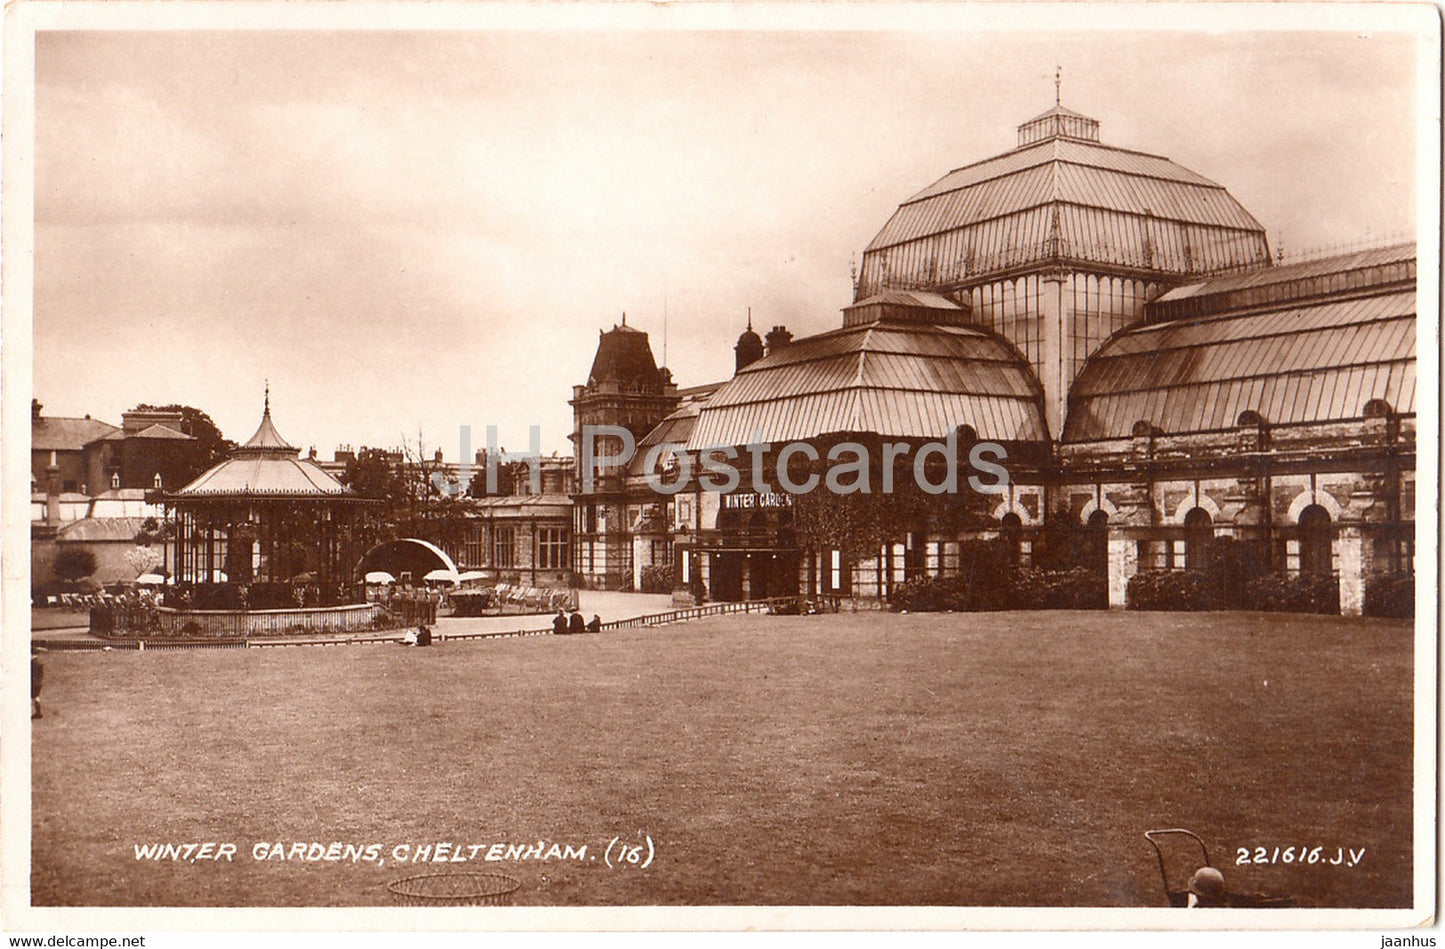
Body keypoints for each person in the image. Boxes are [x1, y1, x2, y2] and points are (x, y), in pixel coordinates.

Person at [31, 655, 44, 720]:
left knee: (33, 697)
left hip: (33, 683)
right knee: (36, 697)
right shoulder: (39, 663)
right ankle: (38, 713)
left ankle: (37, 713)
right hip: (39, 683)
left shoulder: (32, 663)